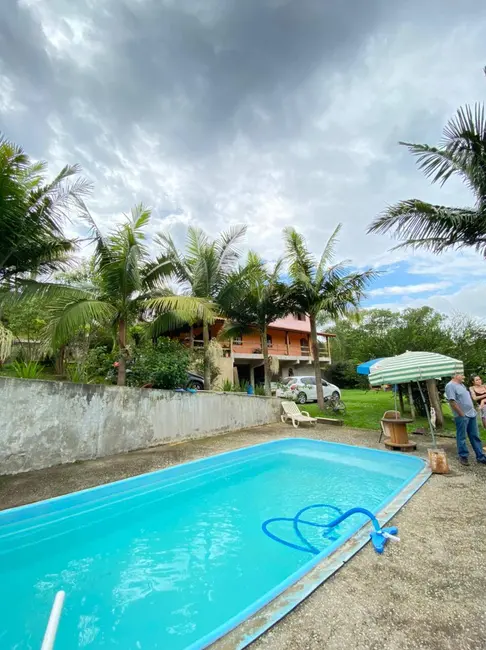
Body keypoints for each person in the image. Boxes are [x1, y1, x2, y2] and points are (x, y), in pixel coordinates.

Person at [445, 372, 486, 466]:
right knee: (462, 436)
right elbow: (452, 401)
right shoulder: (450, 386)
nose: (464, 376)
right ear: (455, 375)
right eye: (462, 375)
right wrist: (461, 414)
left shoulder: (461, 385)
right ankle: (463, 456)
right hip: (462, 416)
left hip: (471, 414)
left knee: (475, 436)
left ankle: (480, 456)